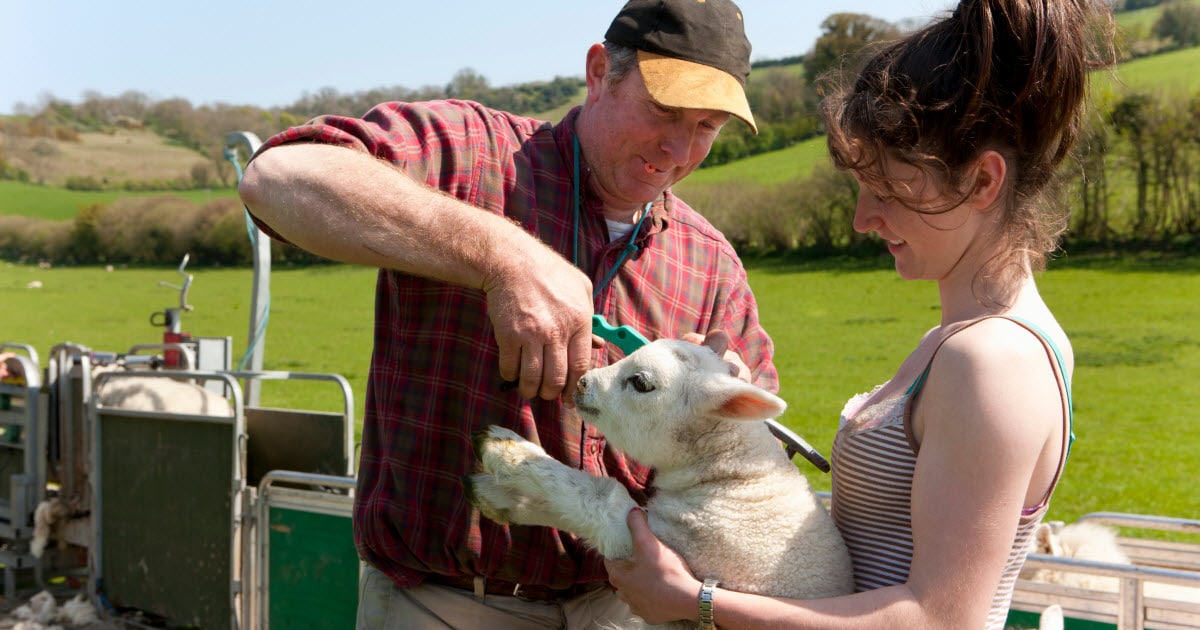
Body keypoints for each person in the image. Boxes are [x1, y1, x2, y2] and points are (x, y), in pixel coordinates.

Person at [236, 0, 777, 627]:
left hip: (623, 609)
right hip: (445, 603)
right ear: (600, 71)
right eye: (664, 109)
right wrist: (502, 256)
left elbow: (752, 455)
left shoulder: (710, 263)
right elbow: (279, 177)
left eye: (708, 126)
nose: (679, 147)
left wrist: (716, 395)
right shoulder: (473, 154)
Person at [603, 0, 1117, 628]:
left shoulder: (991, 361)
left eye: (888, 190)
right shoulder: (972, 342)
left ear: (983, 181)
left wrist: (695, 602)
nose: (863, 219)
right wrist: (719, 410)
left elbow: (936, 618)